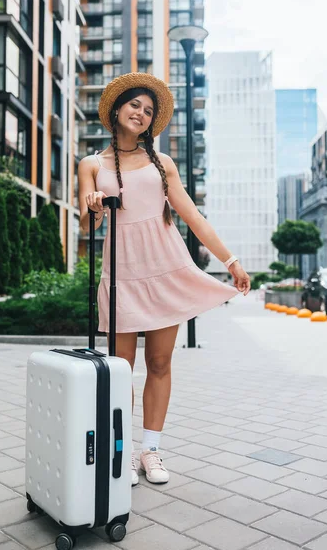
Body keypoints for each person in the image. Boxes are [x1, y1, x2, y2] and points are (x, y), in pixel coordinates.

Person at [78, 72, 250, 487]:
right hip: (121, 275)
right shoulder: (91, 164)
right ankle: (120, 448)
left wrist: (231, 260)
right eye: (135, 105)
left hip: (165, 268)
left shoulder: (162, 163)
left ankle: (150, 450)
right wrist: (94, 204)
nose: (140, 113)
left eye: (148, 111)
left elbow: (191, 215)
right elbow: (86, 221)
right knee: (121, 369)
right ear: (117, 109)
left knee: (159, 362)